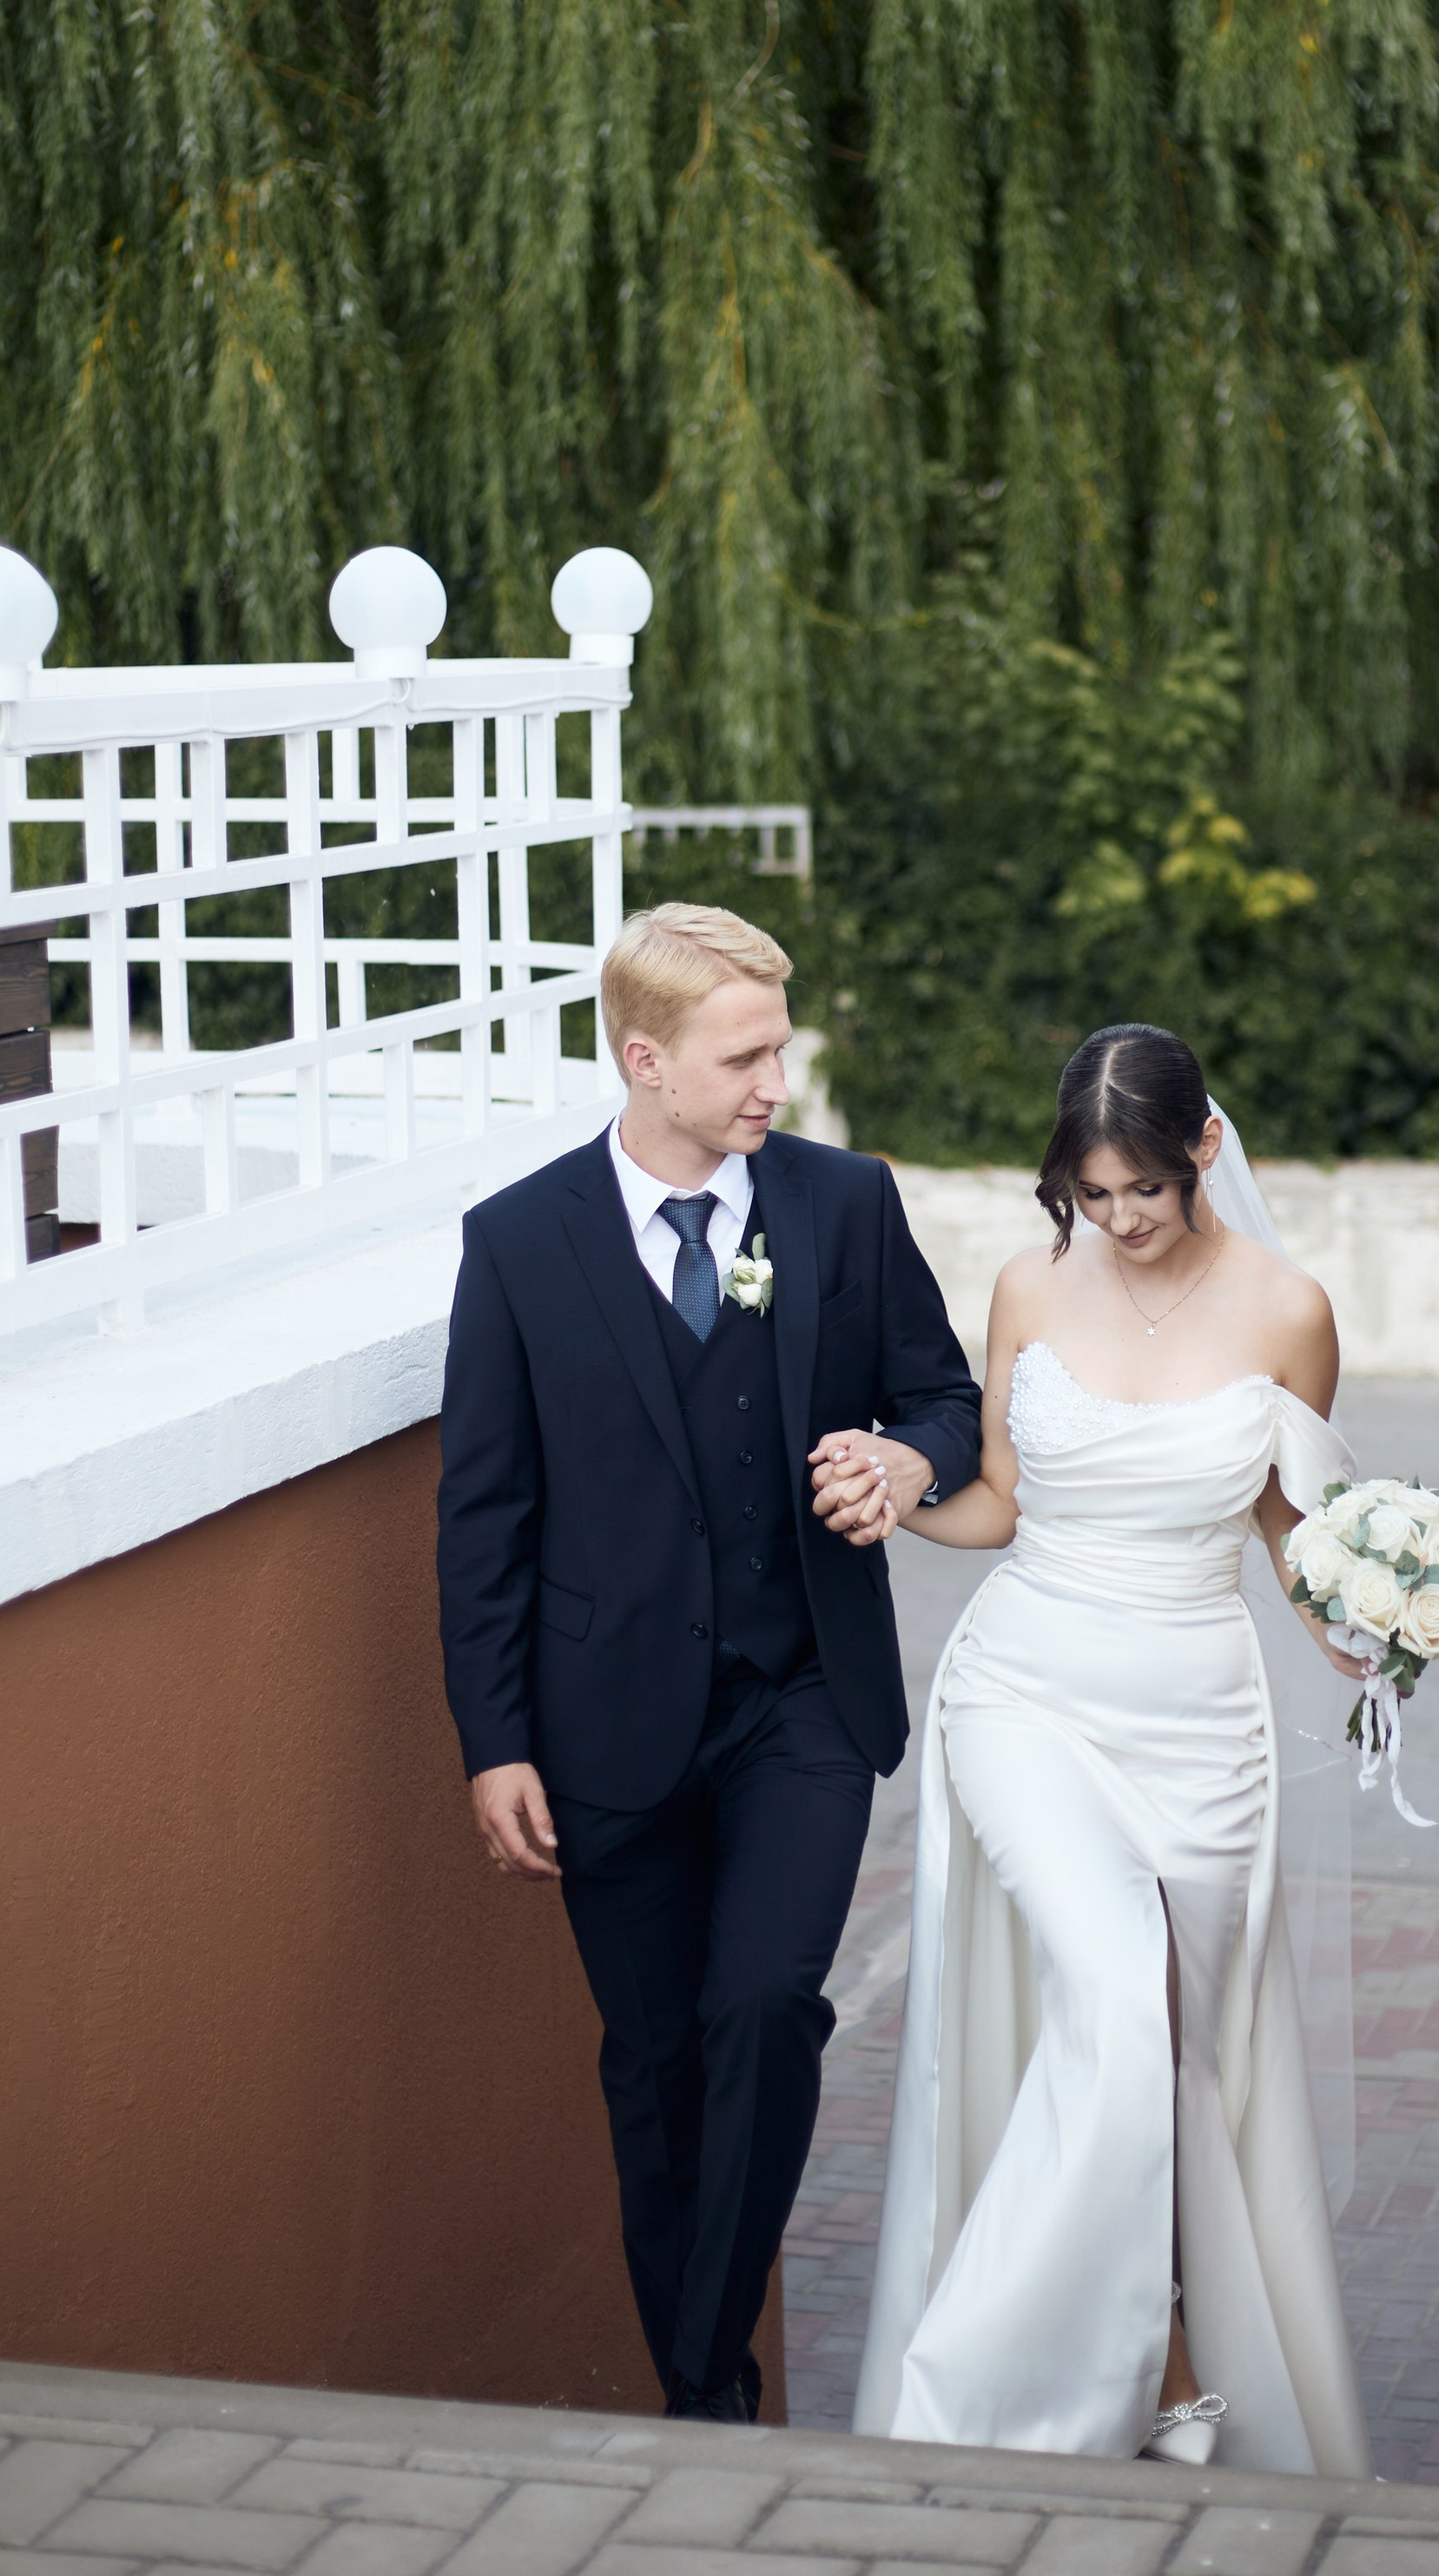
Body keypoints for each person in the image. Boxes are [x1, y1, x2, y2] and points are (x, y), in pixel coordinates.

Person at [436, 901, 983, 2423]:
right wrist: (496, 1741)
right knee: (656, 2061)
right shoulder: (520, 1244)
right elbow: (483, 1518)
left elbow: (946, 1399)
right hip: (602, 1729)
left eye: (779, 1049)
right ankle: (709, 2383)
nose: (774, 1087)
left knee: (764, 2011)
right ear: (644, 1060)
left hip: (801, 1697)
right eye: (744, 1057)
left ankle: (700, 2389)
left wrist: (903, 1459)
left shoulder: (843, 1206)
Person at [848, 1021, 1374, 2472]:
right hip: (1023, 1691)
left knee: (1186, 2055)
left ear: (1205, 1151)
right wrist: (899, 1486)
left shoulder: (1288, 1312)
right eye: (1093, 1195)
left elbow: (1293, 1526)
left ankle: (1180, 2368)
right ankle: (983, 2379)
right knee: (1110, 1995)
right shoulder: (1028, 1283)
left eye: (1145, 1189)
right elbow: (1001, 1503)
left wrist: (1375, 1620)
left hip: (1201, 1719)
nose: (1123, 1222)